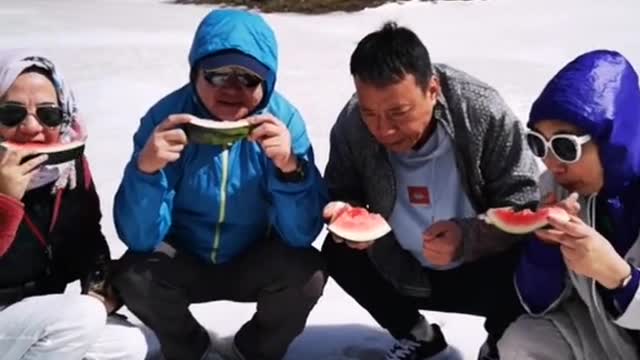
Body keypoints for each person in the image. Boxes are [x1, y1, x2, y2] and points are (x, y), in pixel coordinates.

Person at [110, 9, 328, 360]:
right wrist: (146, 171)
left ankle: (253, 350)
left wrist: (291, 169)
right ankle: (190, 348)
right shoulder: (164, 120)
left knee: (307, 274)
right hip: (184, 256)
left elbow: (301, 236)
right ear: (195, 72)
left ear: (267, 83)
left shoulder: (284, 122)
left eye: (248, 79)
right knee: (133, 274)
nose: (232, 89)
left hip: (253, 256)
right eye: (218, 74)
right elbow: (139, 237)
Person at [321, 22, 540, 360]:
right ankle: (417, 334)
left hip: (481, 266)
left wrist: (469, 237)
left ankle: (500, 343)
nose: (384, 129)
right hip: (399, 267)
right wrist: (345, 213)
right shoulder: (352, 123)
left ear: (433, 89)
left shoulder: (483, 111)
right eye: (370, 113)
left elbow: (524, 201)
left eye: (399, 112)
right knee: (338, 255)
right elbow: (341, 188)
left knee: (537, 256)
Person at [0, 50, 152, 359]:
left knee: (132, 345)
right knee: (82, 317)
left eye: (48, 114)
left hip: (36, 314)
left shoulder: (70, 169)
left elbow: (86, 235)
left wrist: (99, 283)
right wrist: (6, 202)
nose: (31, 127)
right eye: (12, 114)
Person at [497, 50, 640, 360]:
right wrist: (544, 249)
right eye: (538, 143)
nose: (552, 163)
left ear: (614, 141)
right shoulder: (556, 189)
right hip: (610, 339)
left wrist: (621, 279)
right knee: (522, 340)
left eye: (565, 146)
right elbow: (536, 302)